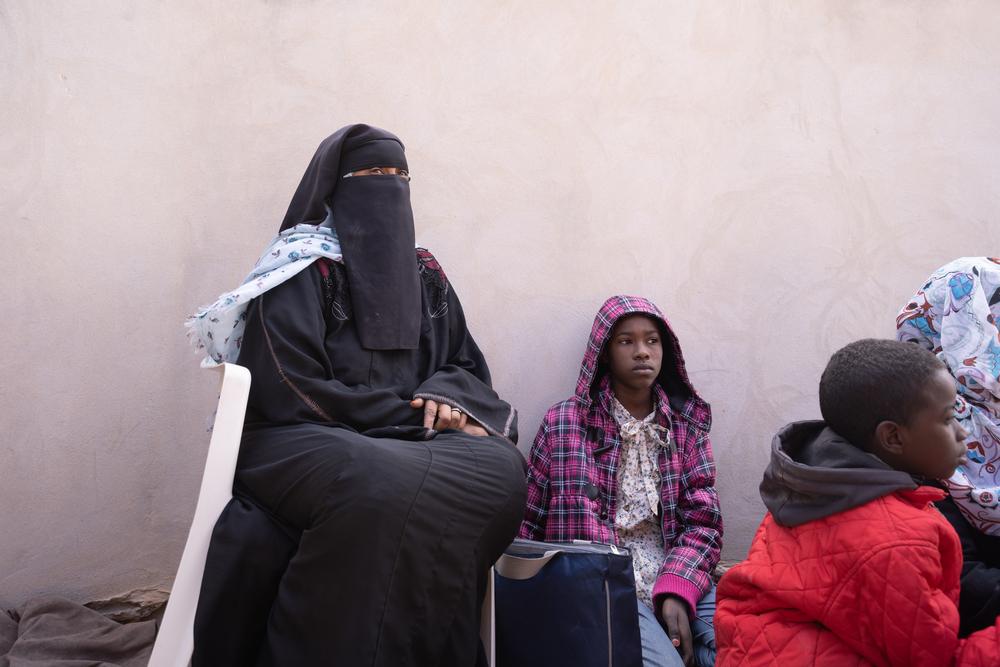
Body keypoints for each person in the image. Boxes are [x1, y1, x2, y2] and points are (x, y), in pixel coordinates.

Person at [185, 124, 527, 666]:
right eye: (372, 175)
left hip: (413, 442)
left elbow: (464, 363)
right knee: (377, 478)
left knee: (501, 468)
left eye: (399, 177)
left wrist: (444, 397)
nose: (388, 188)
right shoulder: (300, 267)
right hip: (297, 437)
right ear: (335, 187)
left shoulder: (427, 276)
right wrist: (409, 417)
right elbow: (290, 385)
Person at [715, 338, 1000, 666]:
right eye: (949, 419)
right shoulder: (897, 539)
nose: (963, 434)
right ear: (893, 437)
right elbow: (929, 658)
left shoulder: (812, 483)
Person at [519, 295, 722, 667]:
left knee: (733, 649)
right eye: (626, 341)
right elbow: (527, 524)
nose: (642, 352)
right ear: (605, 353)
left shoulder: (686, 427)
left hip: (675, 572)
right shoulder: (563, 425)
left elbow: (704, 524)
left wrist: (678, 587)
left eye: (652, 340)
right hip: (604, 585)